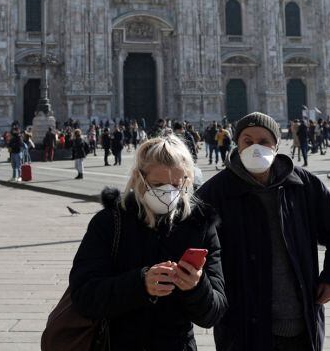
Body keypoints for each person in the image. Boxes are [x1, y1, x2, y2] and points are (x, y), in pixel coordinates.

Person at [196, 112, 330, 350]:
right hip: (243, 328)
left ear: (276, 145)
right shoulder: (215, 192)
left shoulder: (303, 184)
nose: (255, 148)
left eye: (264, 141)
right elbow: (193, 245)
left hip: (301, 325)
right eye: (248, 141)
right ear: (237, 144)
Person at [67, 134, 227, 350]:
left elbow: (213, 314)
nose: (168, 192)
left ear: (187, 180)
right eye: (158, 184)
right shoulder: (110, 222)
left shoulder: (199, 225)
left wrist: (197, 287)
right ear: (139, 179)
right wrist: (140, 284)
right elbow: (83, 296)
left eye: (175, 184)